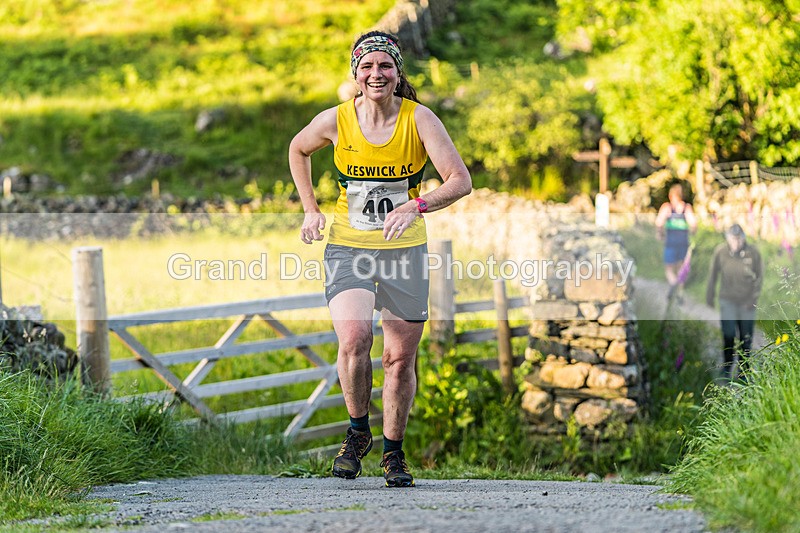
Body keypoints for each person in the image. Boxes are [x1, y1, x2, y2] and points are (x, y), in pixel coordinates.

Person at [288, 31, 471, 487]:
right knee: (353, 339)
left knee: (398, 358)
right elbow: (297, 148)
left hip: (404, 250)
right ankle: (356, 433)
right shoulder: (336, 120)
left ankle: (393, 452)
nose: (376, 74)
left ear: (397, 72)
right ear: (356, 73)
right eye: (367, 67)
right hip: (349, 244)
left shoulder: (419, 119)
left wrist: (416, 205)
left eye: (385, 66)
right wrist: (311, 208)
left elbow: (459, 180)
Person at [706, 223, 764, 380]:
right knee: (729, 334)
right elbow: (713, 275)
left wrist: (752, 299)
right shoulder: (721, 252)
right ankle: (726, 368)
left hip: (746, 302)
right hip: (727, 300)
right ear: (728, 239)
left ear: (743, 239)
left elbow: (759, 278)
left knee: (746, 337)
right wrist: (709, 296)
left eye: (739, 239)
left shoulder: (753, 253)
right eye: (733, 239)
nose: (736, 243)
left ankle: (744, 371)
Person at [655, 182, 698, 300]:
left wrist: (659, 234)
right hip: (683, 242)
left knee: (669, 268)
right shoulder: (686, 208)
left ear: (670, 195)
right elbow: (693, 224)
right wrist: (692, 233)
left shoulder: (667, 208)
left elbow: (659, 223)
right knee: (681, 269)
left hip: (670, 242)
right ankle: (679, 293)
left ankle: (673, 285)